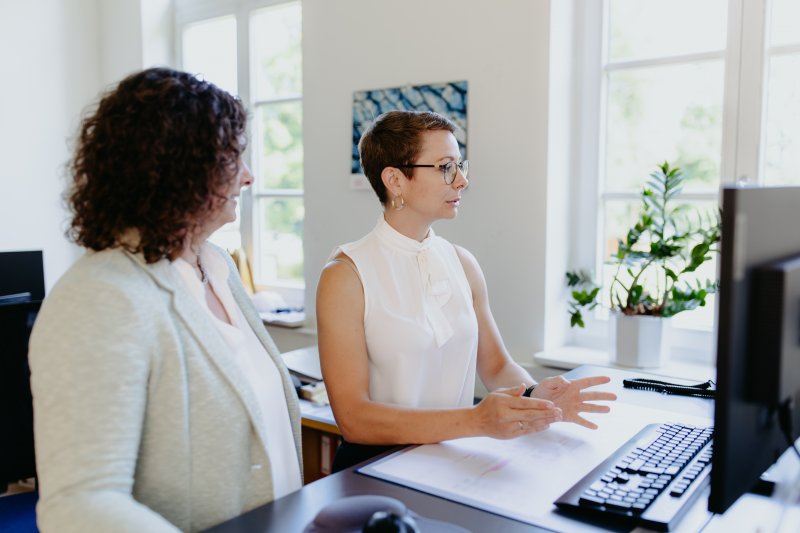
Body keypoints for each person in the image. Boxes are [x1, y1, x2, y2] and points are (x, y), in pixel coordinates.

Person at [28, 67, 302, 532]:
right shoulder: (99, 298)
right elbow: (80, 503)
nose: (251, 176)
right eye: (235, 157)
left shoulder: (217, 267)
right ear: (183, 167)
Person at [316, 110, 617, 472]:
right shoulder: (346, 276)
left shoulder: (462, 262)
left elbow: (497, 366)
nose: (462, 181)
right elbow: (354, 419)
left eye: (460, 165)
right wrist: (476, 421)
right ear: (395, 179)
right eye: (446, 167)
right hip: (374, 472)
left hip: (452, 461)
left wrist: (537, 398)